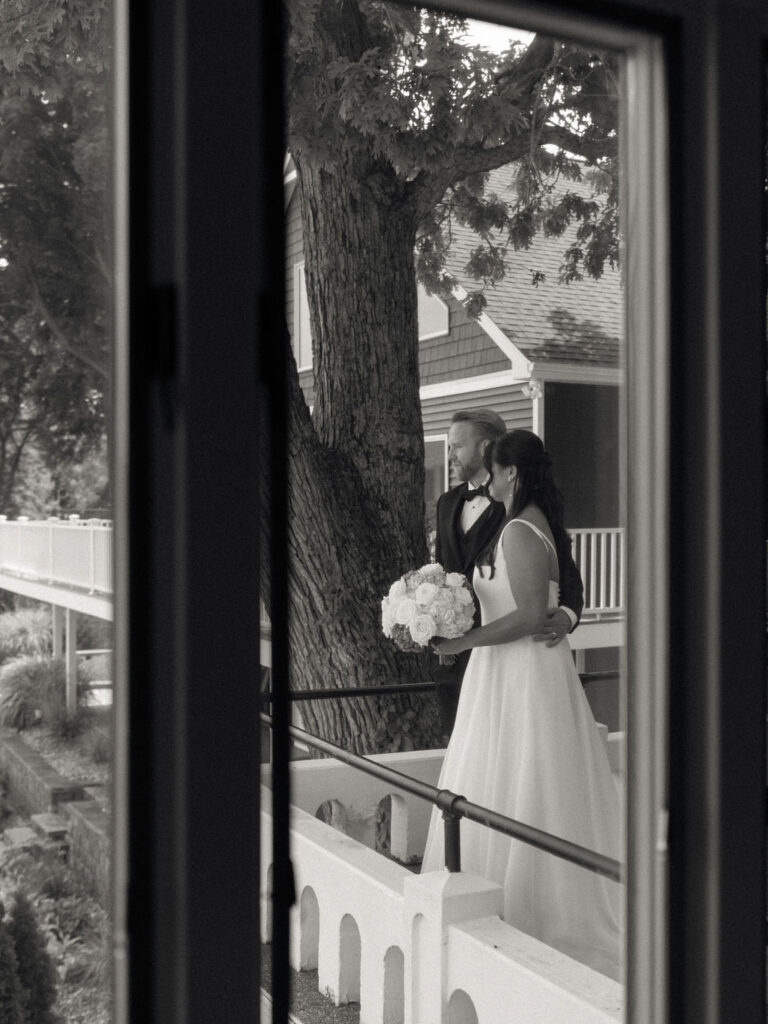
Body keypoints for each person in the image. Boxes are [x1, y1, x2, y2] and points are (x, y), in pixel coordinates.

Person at [423, 429, 621, 980]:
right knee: (502, 772)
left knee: (527, 774)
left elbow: (532, 614)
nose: (485, 472)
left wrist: (462, 643)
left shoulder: (519, 527)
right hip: (502, 671)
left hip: (521, 673)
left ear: (511, 473)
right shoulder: (521, 521)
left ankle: (537, 904)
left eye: (494, 465)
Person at [433, 409, 584, 736]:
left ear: (486, 448)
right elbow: (444, 575)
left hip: (521, 660)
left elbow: (564, 575)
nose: (450, 455)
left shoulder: (523, 517)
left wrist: (568, 614)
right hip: (469, 666)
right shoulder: (446, 503)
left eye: (457, 446)